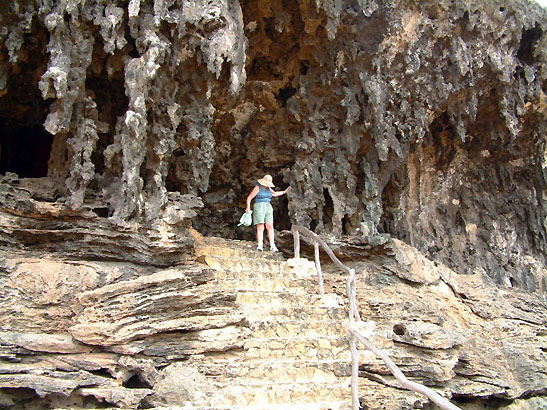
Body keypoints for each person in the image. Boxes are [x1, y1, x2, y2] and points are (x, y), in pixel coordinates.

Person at [245, 174, 290, 252]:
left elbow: (274, 194)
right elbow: (249, 198)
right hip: (259, 206)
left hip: (268, 206)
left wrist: (284, 192)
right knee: (260, 226)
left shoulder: (268, 188)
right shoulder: (257, 188)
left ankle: (272, 245)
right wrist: (248, 207)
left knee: (269, 226)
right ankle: (260, 245)